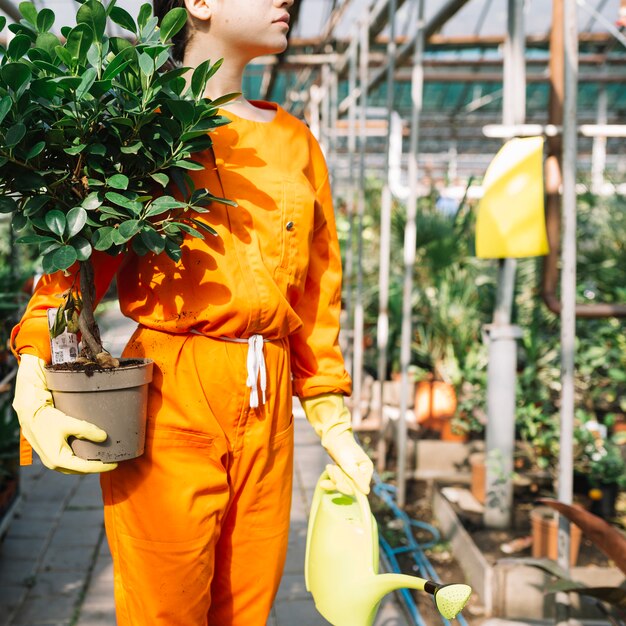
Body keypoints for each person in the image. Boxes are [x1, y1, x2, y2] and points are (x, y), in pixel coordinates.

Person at [11, 0, 374, 624]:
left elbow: (319, 287)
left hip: (270, 395)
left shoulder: (294, 142)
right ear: (199, 4)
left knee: (248, 605)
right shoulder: (137, 134)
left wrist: (330, 409)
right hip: (170, 390)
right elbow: (76, 261)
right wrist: (35, 367)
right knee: (164, 608)